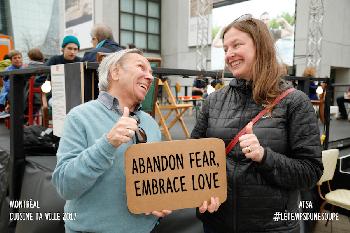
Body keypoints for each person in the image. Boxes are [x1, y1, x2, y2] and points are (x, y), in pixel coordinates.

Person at [191, 15, 323, 233]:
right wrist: (202, 193)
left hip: (272, 227)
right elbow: (192, 158)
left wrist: (264, 156)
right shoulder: (213, 101)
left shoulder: (294, 101)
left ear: (260, 47)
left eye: (236, 45)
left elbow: (310, 172)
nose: (229, 54)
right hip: (217, 224)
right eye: (225, 48)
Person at [52, 49, 172, 233]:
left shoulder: (151, 124)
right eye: (141, 67)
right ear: (115, 72)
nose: (149, 77)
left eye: (151, 73)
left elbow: (158, 181)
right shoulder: (79, 117)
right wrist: (107, 144)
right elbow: (65, 186)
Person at [0, 50, 24, 118]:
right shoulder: (7, 70)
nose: (17, 59)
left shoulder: (24, 69)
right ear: (11, 60)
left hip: (22, 91)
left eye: (19, 57)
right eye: (15, 58)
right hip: (10, 92)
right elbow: (8, 87)